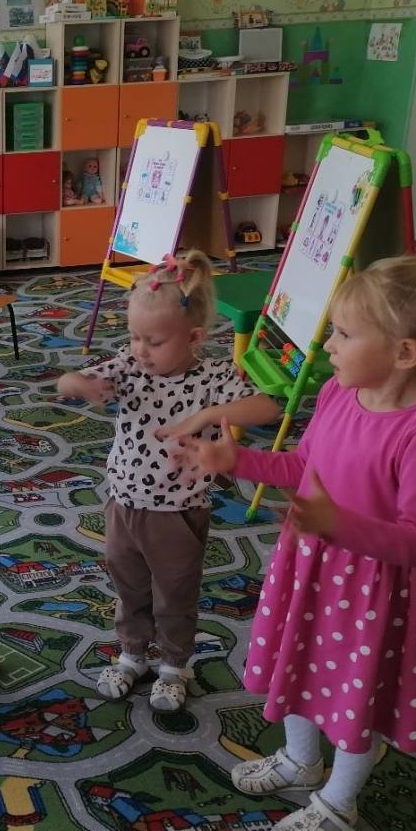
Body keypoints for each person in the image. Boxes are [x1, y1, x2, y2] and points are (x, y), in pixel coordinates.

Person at [178, 256, 416, 831]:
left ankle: (338, 801)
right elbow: (302, 467)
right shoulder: (339, 391)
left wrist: (338, 524)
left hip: (375, 591)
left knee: (355, 693)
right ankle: (300, 760)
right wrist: (238, 461)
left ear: (404, 352)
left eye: (343, 333)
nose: (327, 344)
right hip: (313, 567)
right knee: (301, 663)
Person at [58, 250, 280, 711]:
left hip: (179, 512)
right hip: (124, 504)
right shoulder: (130, 365)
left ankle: (176, 665)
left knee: (175, 594)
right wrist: (82, 385)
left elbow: (267, 408)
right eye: (134, 336)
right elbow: (67, 381)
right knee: (129, 586)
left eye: (154, 341)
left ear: (194, 337)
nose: (140, 349)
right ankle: (133, 653)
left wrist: (209, 414)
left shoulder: (213, 377)